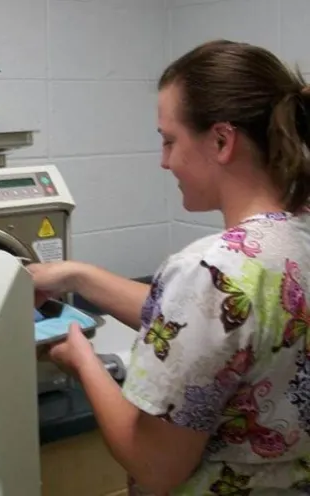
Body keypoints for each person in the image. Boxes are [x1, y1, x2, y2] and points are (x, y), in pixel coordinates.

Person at [28, 39, 310, 495]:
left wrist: (81, 358)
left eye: (169, 140)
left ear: (221, 140)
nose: (165, 161)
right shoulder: (294, 236)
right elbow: (212, 326)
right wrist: (76, 276)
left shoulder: (211, 269)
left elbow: (155, 465)